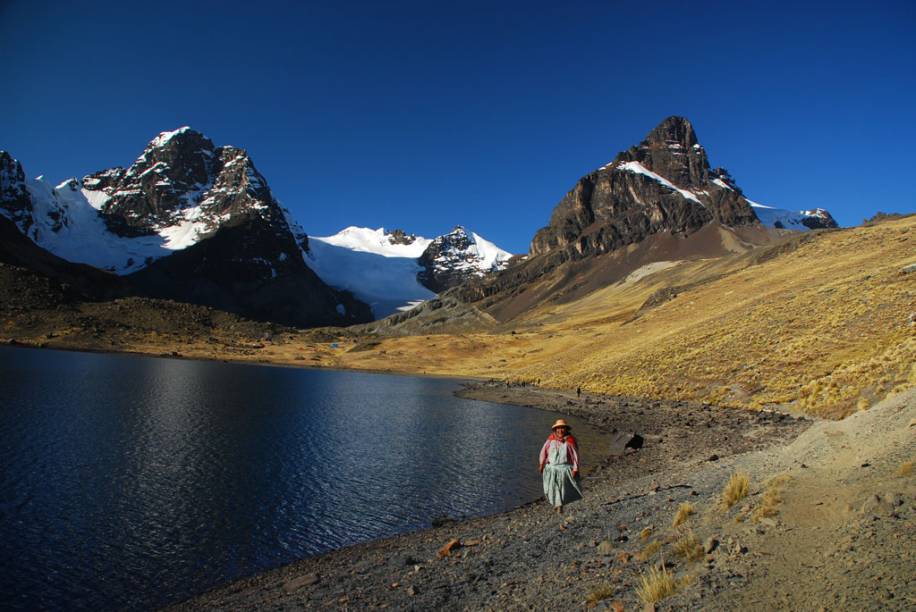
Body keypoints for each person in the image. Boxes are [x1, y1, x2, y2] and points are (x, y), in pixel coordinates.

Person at [538, 419, 582, 513]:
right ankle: (556, 503)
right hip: (551, 468)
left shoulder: (570, 440)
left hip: (564, 469)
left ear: (566, 429)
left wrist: (575, 469)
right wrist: (541, 464)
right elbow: (543, 451)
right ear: (555, 429)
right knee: (551, 488)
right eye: (558, 428)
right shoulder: (550, 439)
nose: (560, 430)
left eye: (562, 428)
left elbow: (575, 455)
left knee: (562, 488)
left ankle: (559, 506)